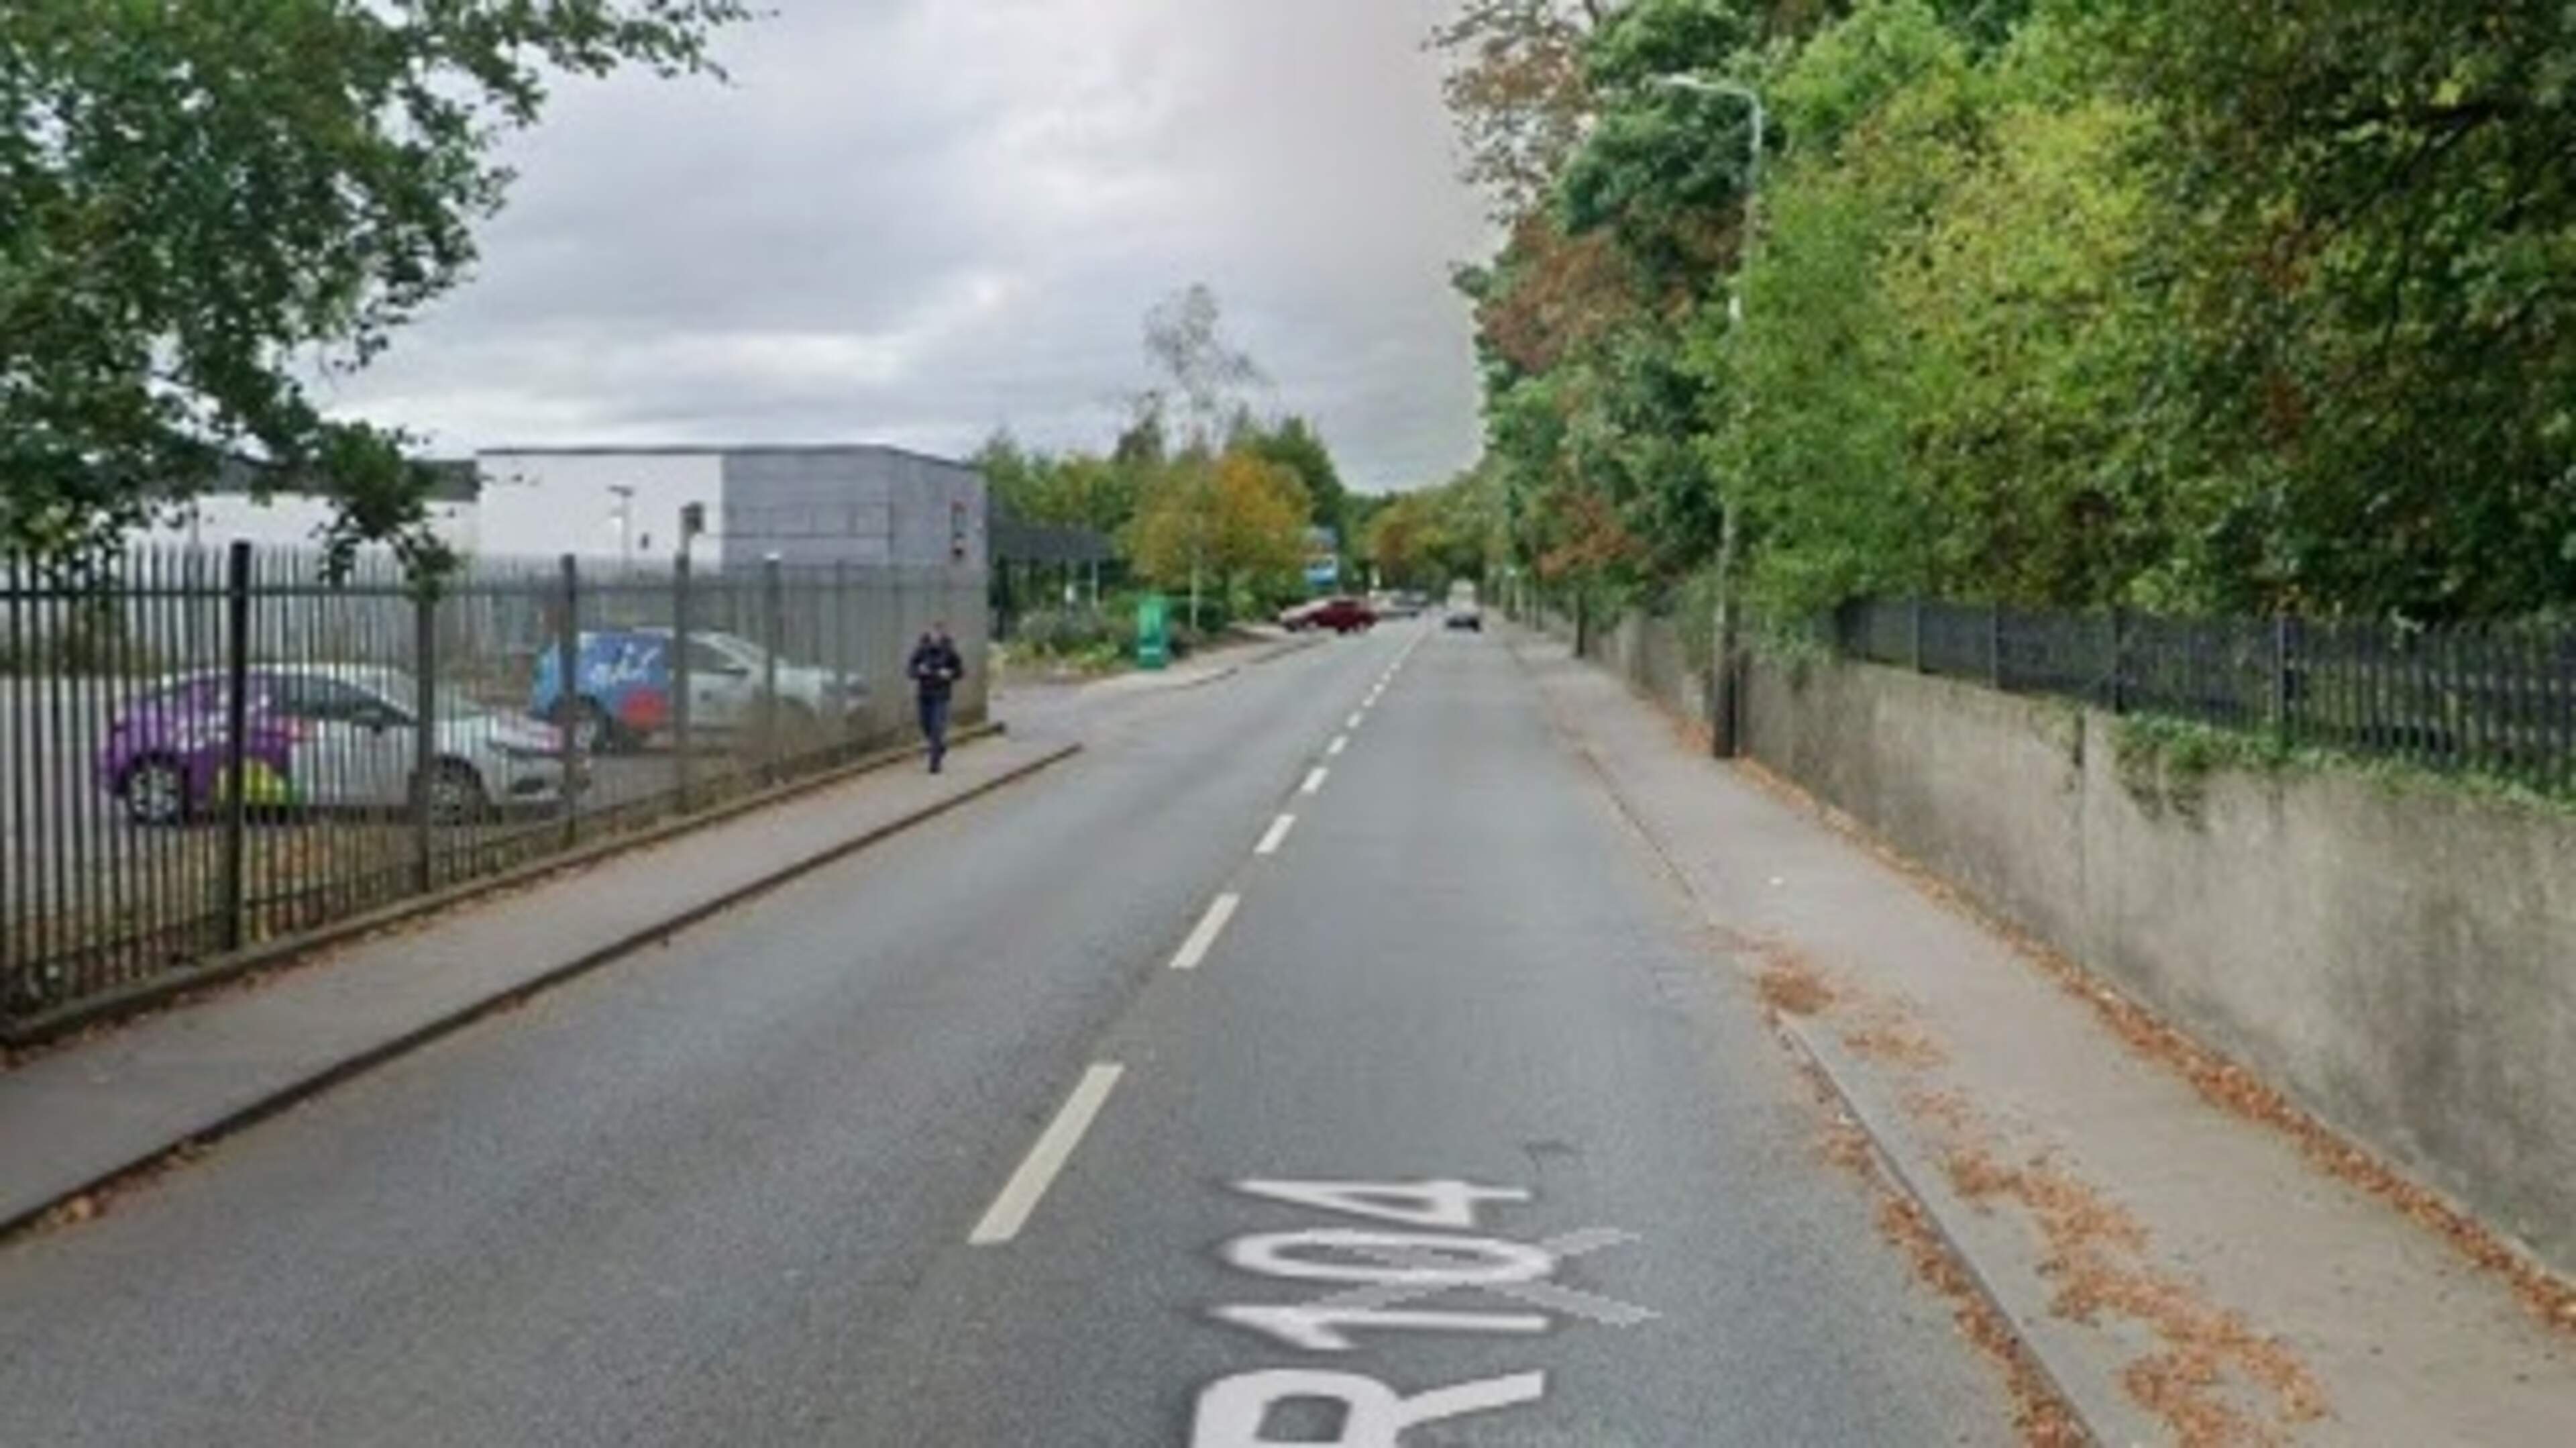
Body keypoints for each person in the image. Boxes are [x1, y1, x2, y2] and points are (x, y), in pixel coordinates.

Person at [908, 621, 965, 773]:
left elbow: (960, 671)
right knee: (925, 726)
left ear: (943, 635)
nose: (936, 637)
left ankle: (935, 764)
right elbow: (910, 670)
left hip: (941, 695)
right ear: (930, 634)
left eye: (939, 634)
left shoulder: (949, 651)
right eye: (933, 633)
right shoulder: (921, 650)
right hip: (924, 695)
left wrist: (949, 673)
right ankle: (940, 747)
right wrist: (919, 671)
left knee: (937, 728)